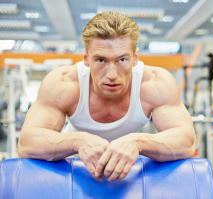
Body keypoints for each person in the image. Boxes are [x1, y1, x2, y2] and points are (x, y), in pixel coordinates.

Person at [18, 11, 196, 182]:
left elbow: (187, 141)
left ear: (135, 58)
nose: (112, 74)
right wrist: (78, 140)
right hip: (73, 162)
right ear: (86, 59)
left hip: (129, 163)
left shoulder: (155, 84)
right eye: (101, 60)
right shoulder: (63, 84)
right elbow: (26, 142)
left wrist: (139, 141)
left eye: (122, 60)